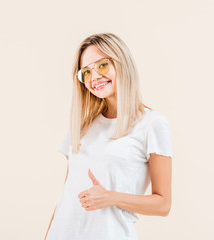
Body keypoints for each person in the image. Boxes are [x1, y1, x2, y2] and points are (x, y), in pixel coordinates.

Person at [44, 33, 173, 240]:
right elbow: (66, 198)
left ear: (122, 63)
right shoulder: (82, 126)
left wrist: (111, 197)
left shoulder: (152, 124)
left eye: (102, 66)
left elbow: (163, 204)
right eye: (85, 72)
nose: (94, 77)